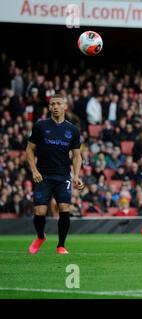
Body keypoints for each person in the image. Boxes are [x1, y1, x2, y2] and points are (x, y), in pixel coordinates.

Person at [26, 94, 84, 255]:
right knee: (39, 212)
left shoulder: (72, 130)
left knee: (64, 209)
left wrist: (77, 175)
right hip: (43, 176)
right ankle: (40, 236)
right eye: (52, 104)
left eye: (58, 103)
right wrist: (34, 170)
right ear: (49, 107)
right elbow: (29, 149)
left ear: (65, 106)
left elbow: (77, 155)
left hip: (62, 176)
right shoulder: (40, 126)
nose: (55, 107)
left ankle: (61, 245)